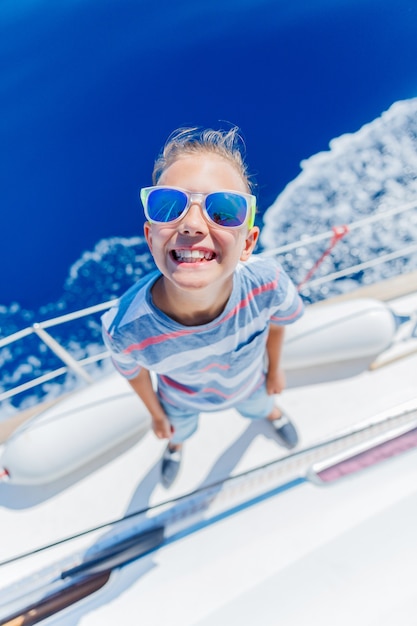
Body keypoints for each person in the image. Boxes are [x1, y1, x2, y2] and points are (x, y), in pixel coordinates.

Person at [102, 126, 304, 488]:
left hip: (248, 383)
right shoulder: (124, 328)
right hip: (179, 398)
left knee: (261, 405)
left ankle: (271, 415)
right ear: (151, 237)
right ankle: (176, 444)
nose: (193, 224)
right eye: (168, 206)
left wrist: (274, 370)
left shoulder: (269, 283)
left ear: (247, 244)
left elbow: (277, 322)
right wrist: (156, 414)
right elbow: (134, 372)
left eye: (224, 212)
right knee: (178, 428)